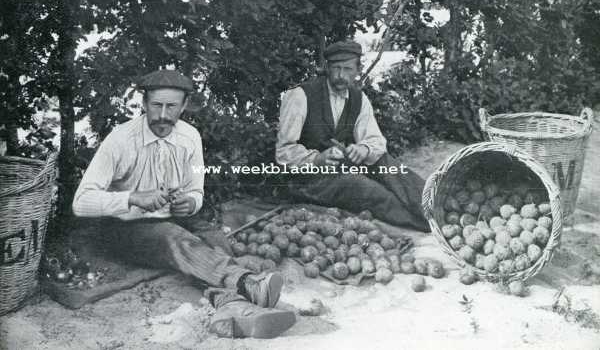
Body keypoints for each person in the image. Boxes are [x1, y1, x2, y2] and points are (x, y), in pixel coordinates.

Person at [72, 69, 296, 339]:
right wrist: (132, 197)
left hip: (173, 218)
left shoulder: (190, 137)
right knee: (173, 237)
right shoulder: (120, 139)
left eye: (172, 106)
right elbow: (81, 202)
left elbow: (196, 191)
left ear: (184, 105)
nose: (163, 114)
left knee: (215, 238)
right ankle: (245, 282)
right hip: (123, 228)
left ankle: (230, 306)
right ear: (143, 104)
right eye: (156, 105)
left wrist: (189, 204)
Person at [276, 41, 428, 231]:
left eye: (347, 69)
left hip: (340, 171)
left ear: (358, 69)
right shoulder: (301, 96)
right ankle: (427, 224)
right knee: (365, 188)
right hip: (309, 182)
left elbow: (375, 140)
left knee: (387, 163)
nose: (341, 75)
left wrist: (363, 149)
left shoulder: (359, 99)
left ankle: (435, 207)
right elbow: (284, 152)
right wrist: (317, 159)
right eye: (336, 68)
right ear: (326, 68)